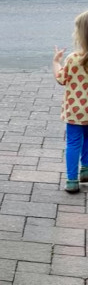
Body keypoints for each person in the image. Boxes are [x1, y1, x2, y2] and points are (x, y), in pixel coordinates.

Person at [54, 10, 88, 193]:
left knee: (73, 142)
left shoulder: (73, 59)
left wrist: (55, 62)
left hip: (75, 111)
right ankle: (86, 170)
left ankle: (72, 180)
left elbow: (61, 79)